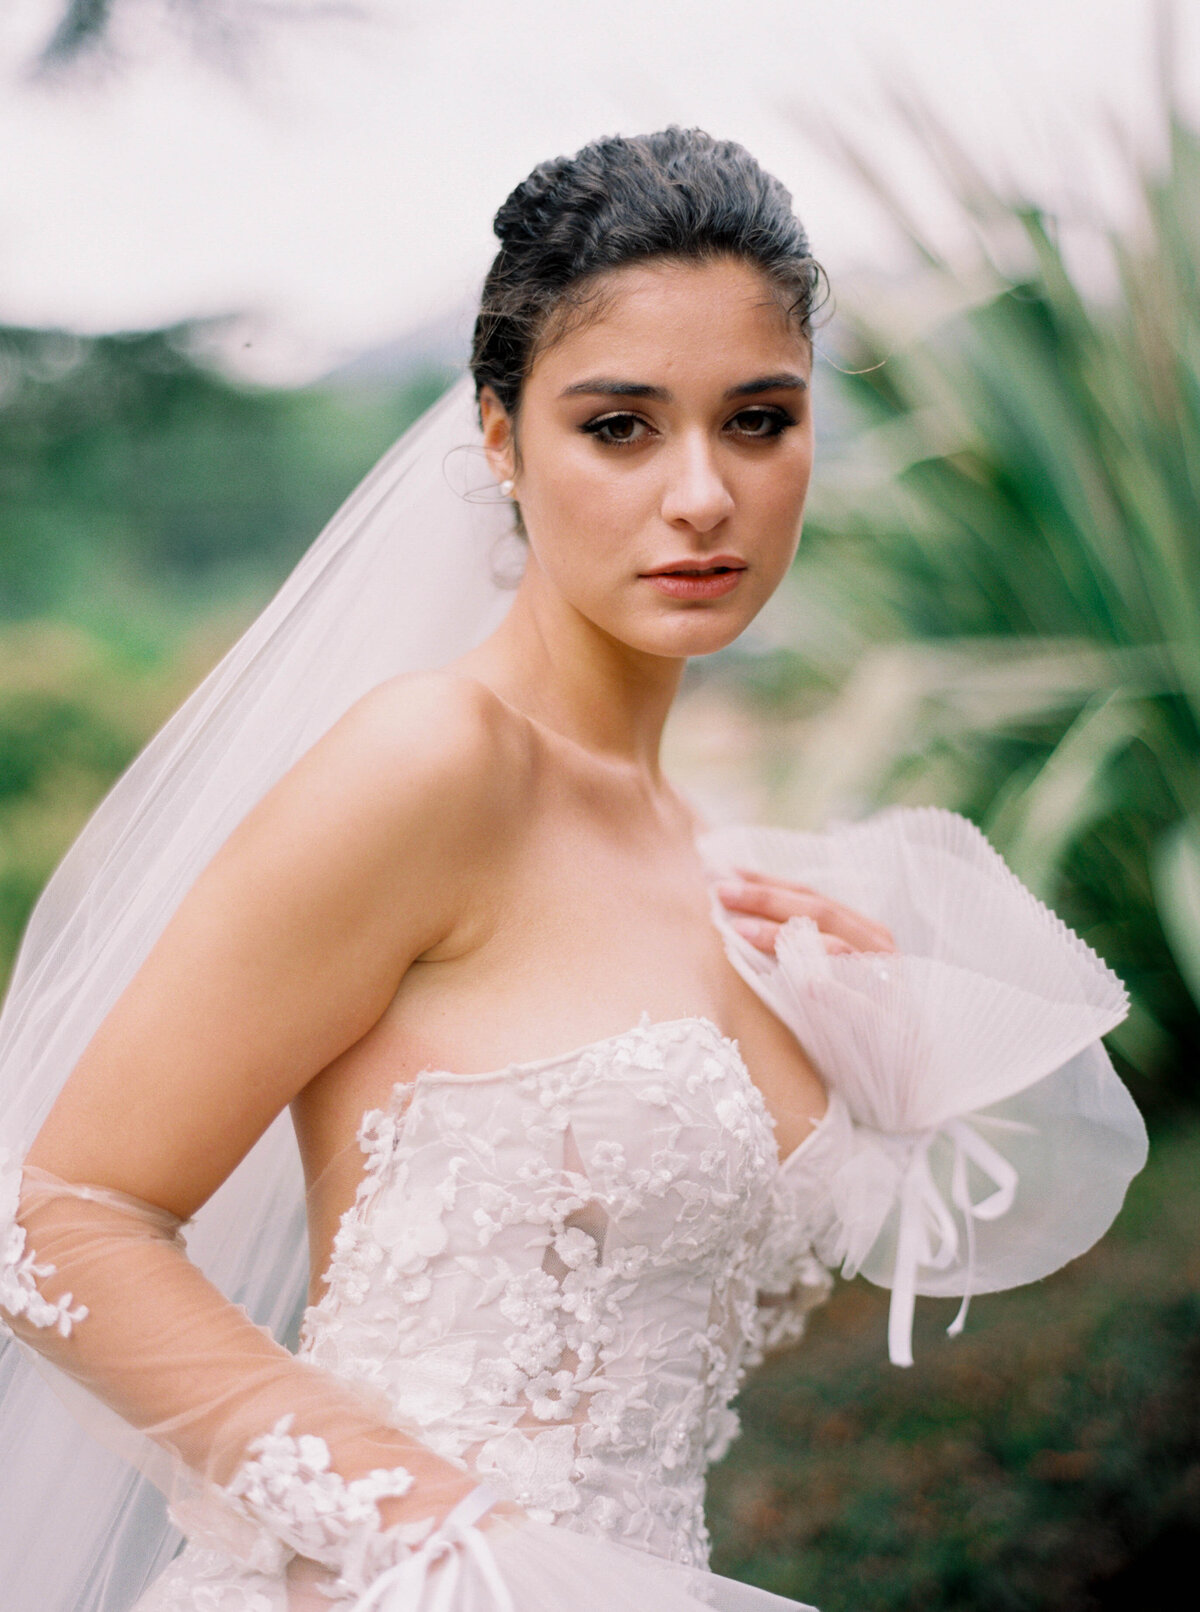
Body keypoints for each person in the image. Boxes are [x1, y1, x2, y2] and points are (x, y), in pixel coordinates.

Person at [0, 129, 1146, 1612]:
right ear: (499, 437)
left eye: (757, 420)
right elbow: (60, 1221)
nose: (703, 497)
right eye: (620, 426)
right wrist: (437, 1538)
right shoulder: (434, 762)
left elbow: (692, 1316)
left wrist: (883, 1060)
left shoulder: (724, 868)